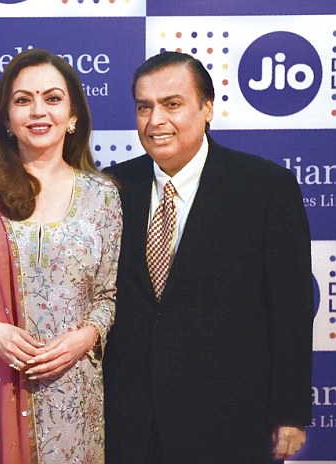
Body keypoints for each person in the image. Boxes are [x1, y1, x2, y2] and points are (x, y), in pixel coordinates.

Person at [103, 51, 313, 464]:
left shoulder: (265, 188)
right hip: (130, 423)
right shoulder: (112, 186)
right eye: (144, 107)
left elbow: (291, 308)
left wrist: (290, 412)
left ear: (207, 108)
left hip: (230, 420)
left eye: (172, 104)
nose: (155, 120)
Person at [0, 48, 122, 463]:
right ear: (7, 120)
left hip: (72, 391)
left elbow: (107, 297)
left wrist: (84, 338)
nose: (38, 111)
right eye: (23, 100)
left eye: (52, 99)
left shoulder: (103, 196)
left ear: (73, 117)